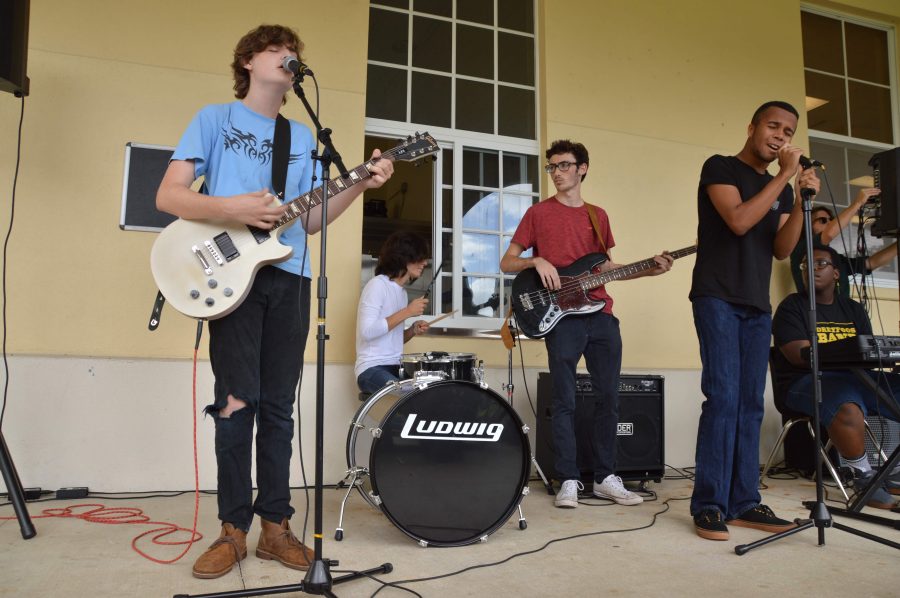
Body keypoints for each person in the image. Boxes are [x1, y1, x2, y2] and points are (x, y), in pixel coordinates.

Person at [156, 24, 394, 579]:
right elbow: (168, 195)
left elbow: (307, 220)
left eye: (294, 54)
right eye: (274, 50)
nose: (288, 58)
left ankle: (275, 529)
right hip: (230, 280)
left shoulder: (303, 138)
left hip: (290, 277)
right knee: (236, 405)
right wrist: (234, 208)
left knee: (279, 410)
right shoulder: (214, 119)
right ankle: (231, 530)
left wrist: (359, 183)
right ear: (248, 61)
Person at [500, 139, 673, 509]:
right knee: (564, 401)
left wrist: (648, 272)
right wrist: (536, 262)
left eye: (564, 165)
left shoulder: (598, 215)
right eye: (552, 167)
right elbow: (507, 262)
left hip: (601, 316)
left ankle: (606, 478)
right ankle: (569, 479)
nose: (557, 172)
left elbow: (605, 269)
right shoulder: (538, 214)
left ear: (583, 168)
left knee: (609, 398)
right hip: (561, 319)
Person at [688, 100, 820, 541]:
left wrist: (801, 200)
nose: (780, 137)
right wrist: (784, 175)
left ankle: (744, 501)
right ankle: (709, 504)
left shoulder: (782, 188)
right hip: (717, 297)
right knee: (723, 398)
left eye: (788, 131)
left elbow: (783, 248)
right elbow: (740, 221)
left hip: (755, 305)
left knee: (749, 404)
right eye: (773, 126)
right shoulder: (720, 167)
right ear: (752, 127)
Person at [773, 245, 900, 508]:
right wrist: (845, 350)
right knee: (845, 403)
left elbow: (868, 353)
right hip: (804, 382)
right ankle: (862, 475)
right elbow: (799, 356)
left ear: (837, 274)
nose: (811, 269)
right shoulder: (792, 307)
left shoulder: (852, 309)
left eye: (820, 264)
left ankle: (890, 472)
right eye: (806, 265)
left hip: (858, 378)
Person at [355, 231, 430, 393]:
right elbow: (367, 332)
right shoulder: (377, 285)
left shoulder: (402, 293)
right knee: (407, 394)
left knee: (428, 392)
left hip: (396, 366)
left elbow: (392, 339)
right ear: (404, 257)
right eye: (420, 257)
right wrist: (408, 311)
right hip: (371, 369)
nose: (425, 263)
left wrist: (412, 330)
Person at [789, 193, 898, 298]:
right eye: (823, 220)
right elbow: (829, 233)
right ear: (807, 225)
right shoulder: (801, 249)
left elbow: (870, 263)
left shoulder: (836, 258)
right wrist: (857, 203)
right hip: (818, 315)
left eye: (831, 220)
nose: (829, 223)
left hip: (844, 315)